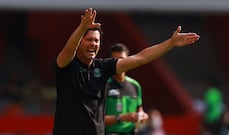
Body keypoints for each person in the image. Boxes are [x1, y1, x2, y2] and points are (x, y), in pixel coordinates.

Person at [53, 8, 200, 135]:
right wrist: (81, 28)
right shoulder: (66, 65)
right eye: (89, 40)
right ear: (79, 42)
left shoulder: (103, 68)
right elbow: (68, 50)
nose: (93, 44)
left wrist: (171, 43)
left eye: (96, 41)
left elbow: (141, 57)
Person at [105, 43, 148, 135]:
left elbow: (139, 110)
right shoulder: (103, 85)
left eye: (122, 59)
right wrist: (122, 118)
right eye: (115, 60)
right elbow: (95, 119)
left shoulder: (135, 85)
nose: (119, 63)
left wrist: (143, 116)